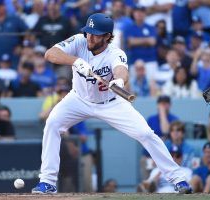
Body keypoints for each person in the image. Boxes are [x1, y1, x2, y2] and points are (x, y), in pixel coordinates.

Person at [31, 13, 192, 194]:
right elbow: (50, 54)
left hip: (111, 102)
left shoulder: (115, 52)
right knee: (52, 124)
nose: (90, 37)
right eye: (88, 32)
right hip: (78, 99)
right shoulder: (79, 40)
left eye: (96, 34)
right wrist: (76, 61)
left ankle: (178, 179)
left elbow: (121, 70)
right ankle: (48, 182)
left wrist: (119, 82)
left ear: (107, 36)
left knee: (146, 133)